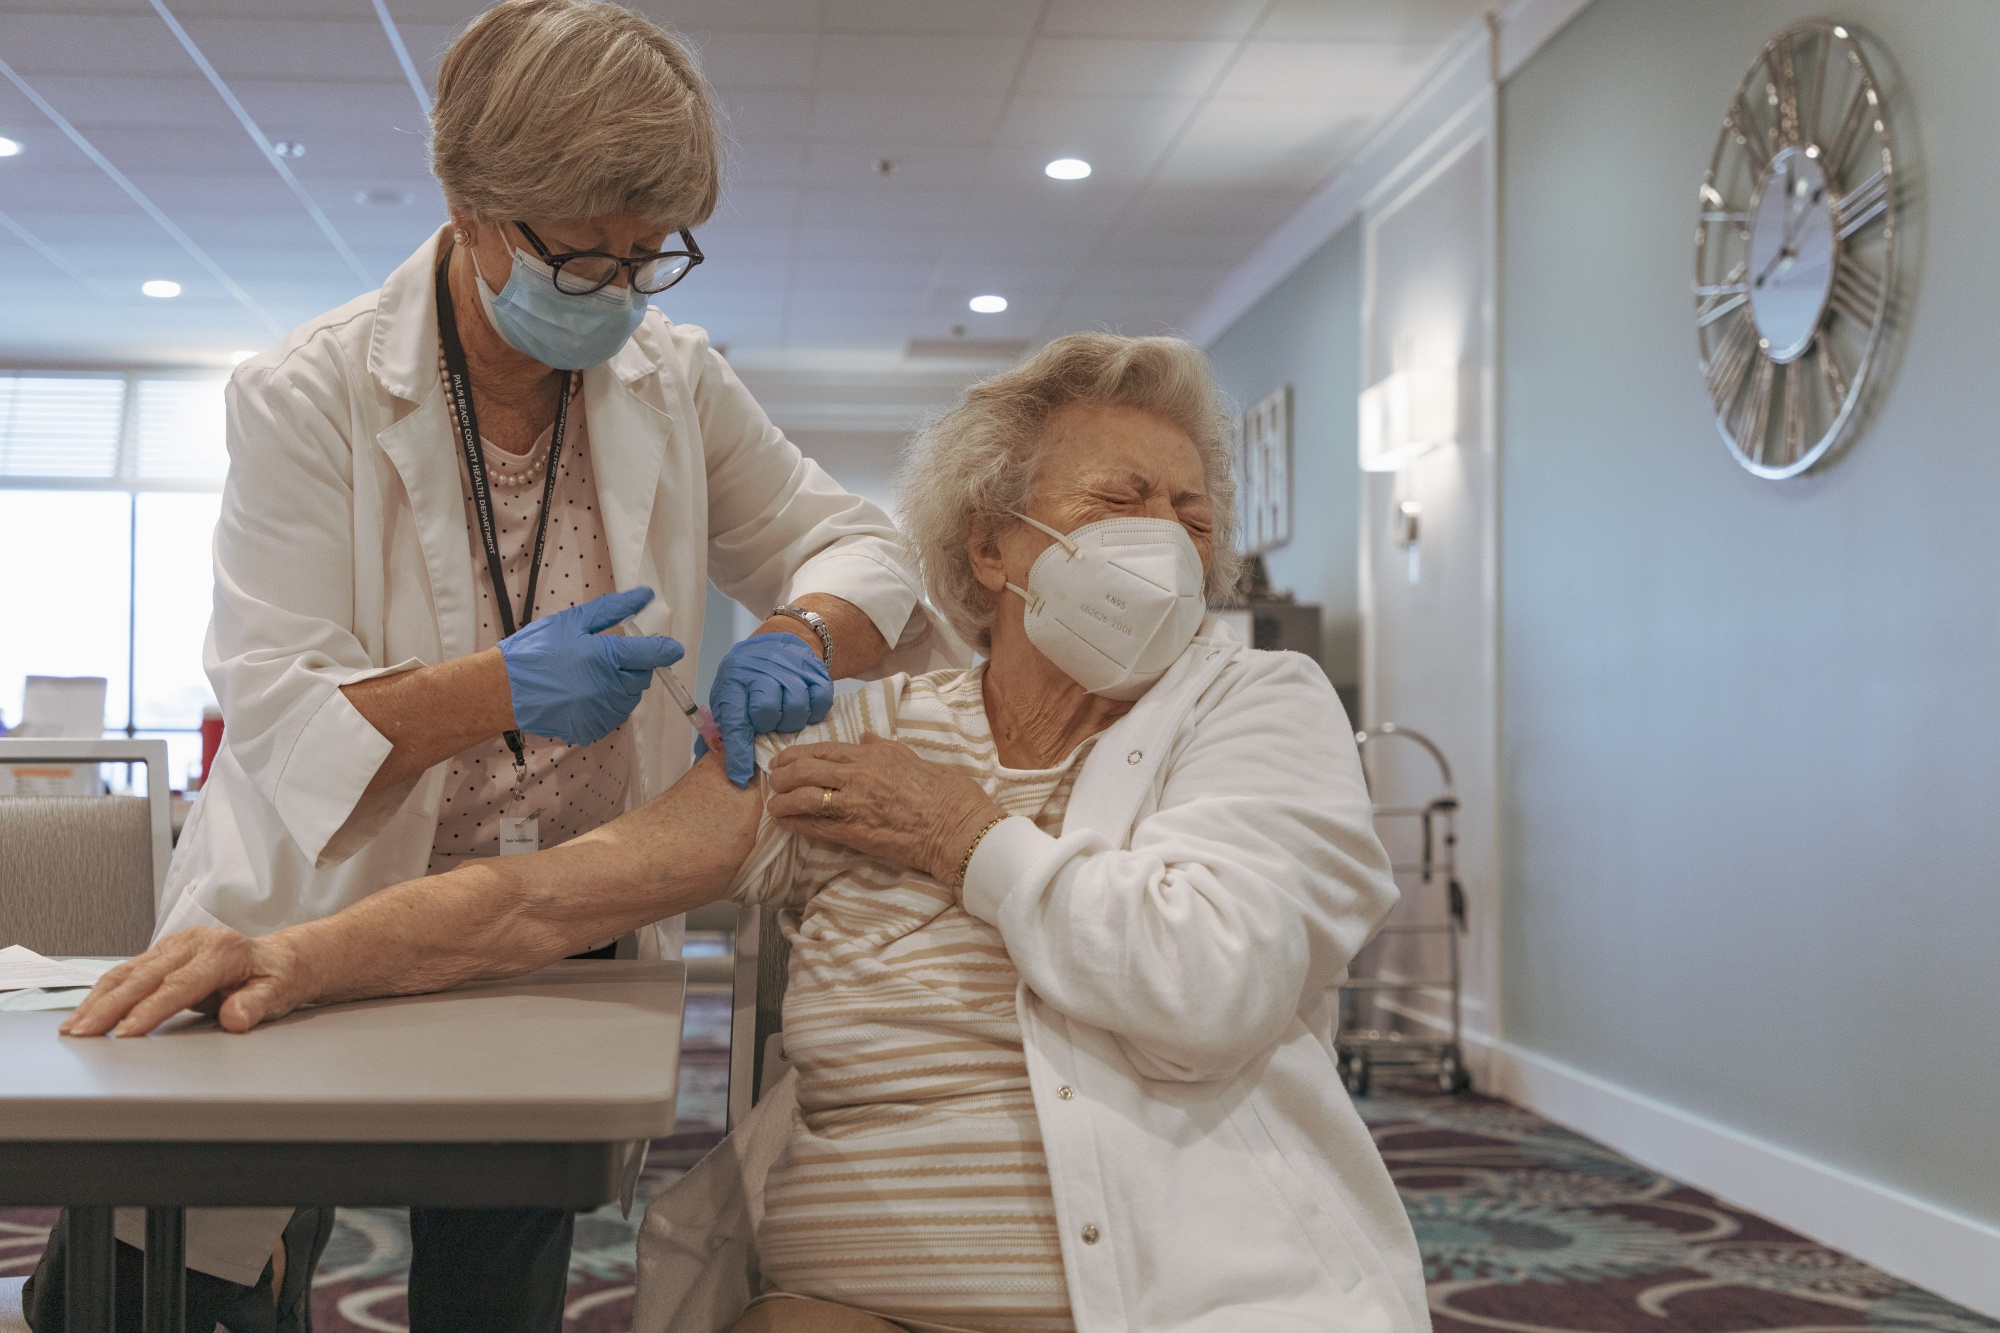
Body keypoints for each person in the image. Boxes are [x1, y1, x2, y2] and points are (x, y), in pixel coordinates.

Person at [64, 334, 1428, 1333]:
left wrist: (964, 832)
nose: (1172, 543)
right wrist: (298, 954)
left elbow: (1207, 982)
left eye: (1196, 514)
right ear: (997, 550)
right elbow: (554, 892)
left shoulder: (1258, 701)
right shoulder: (845, 738)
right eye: (1122, 504)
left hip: (1193, 1275)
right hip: (859, 1288)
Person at [23, 3, 961, 1330]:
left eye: (651, 256)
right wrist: (501, 691)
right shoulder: (310, 396)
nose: (624, 295)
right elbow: (283, 713)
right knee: (179, 1277)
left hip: (547, 941)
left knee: (500, 1287)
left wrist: (806, 630)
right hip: (318, 903)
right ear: (472, 211)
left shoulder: (674, 380)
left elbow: (857, 540)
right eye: (585, 259)